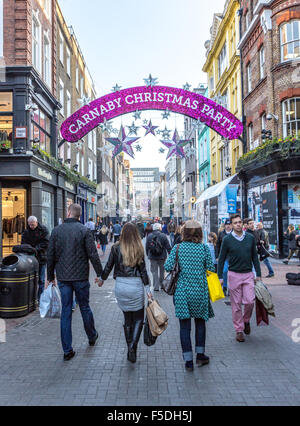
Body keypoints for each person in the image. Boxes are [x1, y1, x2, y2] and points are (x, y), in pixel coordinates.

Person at [46, 204, 103, 361]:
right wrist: (101, 274)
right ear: (79, 215)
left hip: (64, 278)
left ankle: (67, 350)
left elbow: (50, 256)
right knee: (84, 307)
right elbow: (93, 254)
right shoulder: (84, 231)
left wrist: (50, 277)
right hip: (80, 277)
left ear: (69, 212)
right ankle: (92, 336)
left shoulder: (56, 231)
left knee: (66, 311)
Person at [164, 220, 215, 372]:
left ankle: (188, 361)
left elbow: (167, 266)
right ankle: (200, 355)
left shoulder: (178, 248)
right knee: (200, 323)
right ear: (200, 233)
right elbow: (211, 269)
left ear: (184, 233)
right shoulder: (204, 249)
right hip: (200, 291)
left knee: (184, 327)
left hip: (182, 292)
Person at [99, 223, 152, 364]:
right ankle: (133, 346)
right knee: (139, 318)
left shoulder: (116, 248)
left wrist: (101, 279)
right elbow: (143, 271)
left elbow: (109, 266)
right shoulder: (138, 248)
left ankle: (130, 346)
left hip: (121, 286)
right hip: (135, 286)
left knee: (127, 318)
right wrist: (148, 290)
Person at [218, 214, 262, 343]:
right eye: (235, 223)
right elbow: (221, 258)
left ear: (242, 224)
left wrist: (258, 274)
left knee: (249, 302)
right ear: (231, 225)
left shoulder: (249, 238)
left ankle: (246, 321)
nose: (238, 224)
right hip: (234, 275)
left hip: (248, 274)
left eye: (239, 222)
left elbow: (255, 256)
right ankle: (239, 330)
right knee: (236, 305)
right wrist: (220, 276)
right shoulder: (227, 239)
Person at [21, 216, 50, 302]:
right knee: (32, 279)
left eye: (33, 225)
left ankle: (40, 298)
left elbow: (46, 242)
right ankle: (32, 298)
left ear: (36, 223)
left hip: (41, 258)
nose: (31, 226)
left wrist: (36, 248)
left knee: (41, 280)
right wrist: (28, 249)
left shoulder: (43, 230)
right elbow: (23, 243)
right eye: (30, 225)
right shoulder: (26, 232)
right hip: (30, 259)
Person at [146, 223, 171, 292]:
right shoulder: (163, 236)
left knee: (154, 272)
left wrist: (148, 254)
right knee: (162, 271)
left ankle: (156, 286)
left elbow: (147, 247)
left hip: (152, 257)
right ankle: (162, 285)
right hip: (162, 256)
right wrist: (171, 255)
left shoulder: (149, 236)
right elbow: (168, 247)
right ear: (160, 228)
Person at [216, 219, 232, 295]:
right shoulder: (221, 234)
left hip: (233, 256)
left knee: (233, 273)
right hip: (224, 256)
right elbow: (217, 245)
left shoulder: (234, 233)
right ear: (225, 225)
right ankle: (225, 287)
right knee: (225, 271)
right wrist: (217, 256)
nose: (228, 226)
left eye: (229, 224)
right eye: (227, 224)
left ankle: (232, 288)